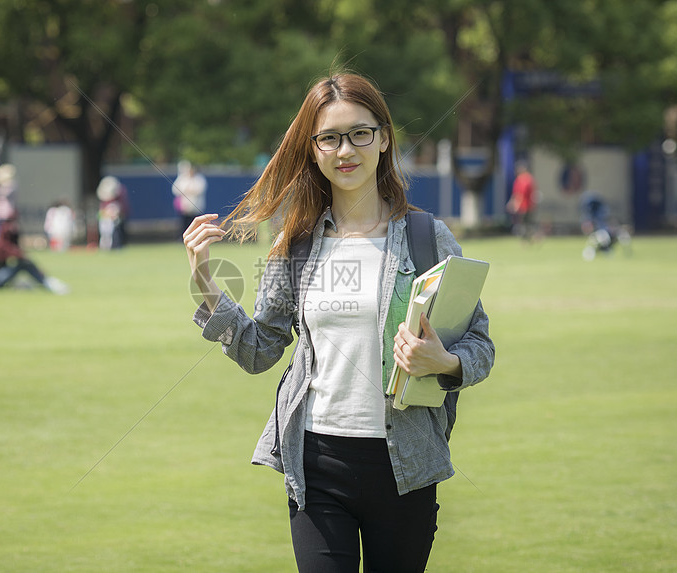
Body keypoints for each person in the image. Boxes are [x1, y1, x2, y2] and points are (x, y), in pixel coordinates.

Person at [183, 73, 494, 572]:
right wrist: (206, 284)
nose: (345, 150)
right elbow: (261, 348)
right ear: (313, 149)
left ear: (383, 138)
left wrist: (446, 362)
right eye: (329, 137)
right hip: (316, 463)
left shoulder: (426, 238)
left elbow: (480, 344)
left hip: (405, 466)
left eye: (359, 133)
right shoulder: (296, 245)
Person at [0, 218, 69, 294]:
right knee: (23, 264)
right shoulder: (1, 244)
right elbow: (21, 255)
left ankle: (45, 282)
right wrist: (39, 271)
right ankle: (47, 283)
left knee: (23, 263)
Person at [172, 160, 207, 234]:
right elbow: (175, 190)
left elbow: (199, 190)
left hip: (195, 206)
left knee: (195, 223)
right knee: (184, 224)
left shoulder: (199, 178)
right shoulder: (182, 178)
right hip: (184, 206)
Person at [506, 160, 538, 242]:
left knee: (523, 223)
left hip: (523, 205)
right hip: (529, 205)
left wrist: (515, 204)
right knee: (527, 223)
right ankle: (531, 237)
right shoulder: (530, 178)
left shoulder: (522, 179)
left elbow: (519, 194)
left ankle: (530, 238)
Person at [96, 175, 129, 250]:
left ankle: (116, 246)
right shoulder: (104, 204)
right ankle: (105, 247)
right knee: (105, 235)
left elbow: (121, 209)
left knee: (115, 234)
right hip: (105, 222)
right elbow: (100, 214)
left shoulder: (117, 201)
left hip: (113, 221)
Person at [0, 163, 18, 239]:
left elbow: (6, 195)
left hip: (7, 211)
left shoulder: (11, 185)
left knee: (6, 229)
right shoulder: (2, 185)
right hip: (0, 211)